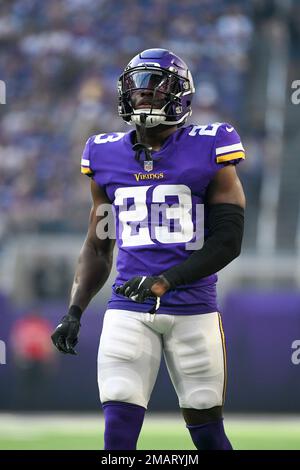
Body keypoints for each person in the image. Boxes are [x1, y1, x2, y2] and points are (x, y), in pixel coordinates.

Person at [51, 48, 246, 450]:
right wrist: (74, 310)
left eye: (157, 87)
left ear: (181, 95)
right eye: (137, 87)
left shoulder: (211, 146)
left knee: (208, 429)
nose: (145, 95)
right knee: (118, 431)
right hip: (128, 309)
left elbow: (228, 240)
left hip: (193, 307)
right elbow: (98, 245)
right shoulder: (104, 153)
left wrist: (167, 280)